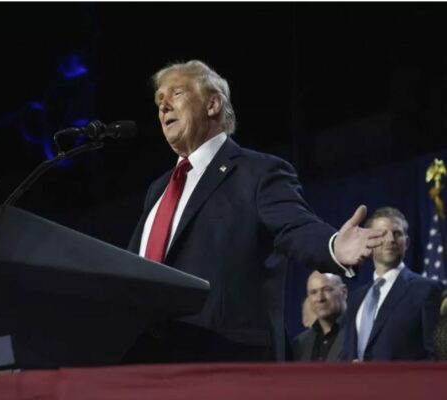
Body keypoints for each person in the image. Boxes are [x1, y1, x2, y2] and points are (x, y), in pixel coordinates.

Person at [126, 60, 386, 362]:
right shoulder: (157, 191)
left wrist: (332, 246)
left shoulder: (257, 173)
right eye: (159, 100)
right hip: (151, 364)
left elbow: (295, 227)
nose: (164, 106)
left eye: (177, 93)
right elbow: (134, 270)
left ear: (212, 104)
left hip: (225, 360)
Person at [342, 207, 442, 361]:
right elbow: (347, 355)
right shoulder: (355, 299)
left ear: (406, 242)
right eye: (382, 234)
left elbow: (438, 358)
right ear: (369, 242)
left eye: (397, 233)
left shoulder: (429, 290)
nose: (390, 240)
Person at [293, 271, 347, 362]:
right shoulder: (300, 343)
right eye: (313, 292)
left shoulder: (360, 334)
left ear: (344, 292)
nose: (320, 298)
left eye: (326, 289)